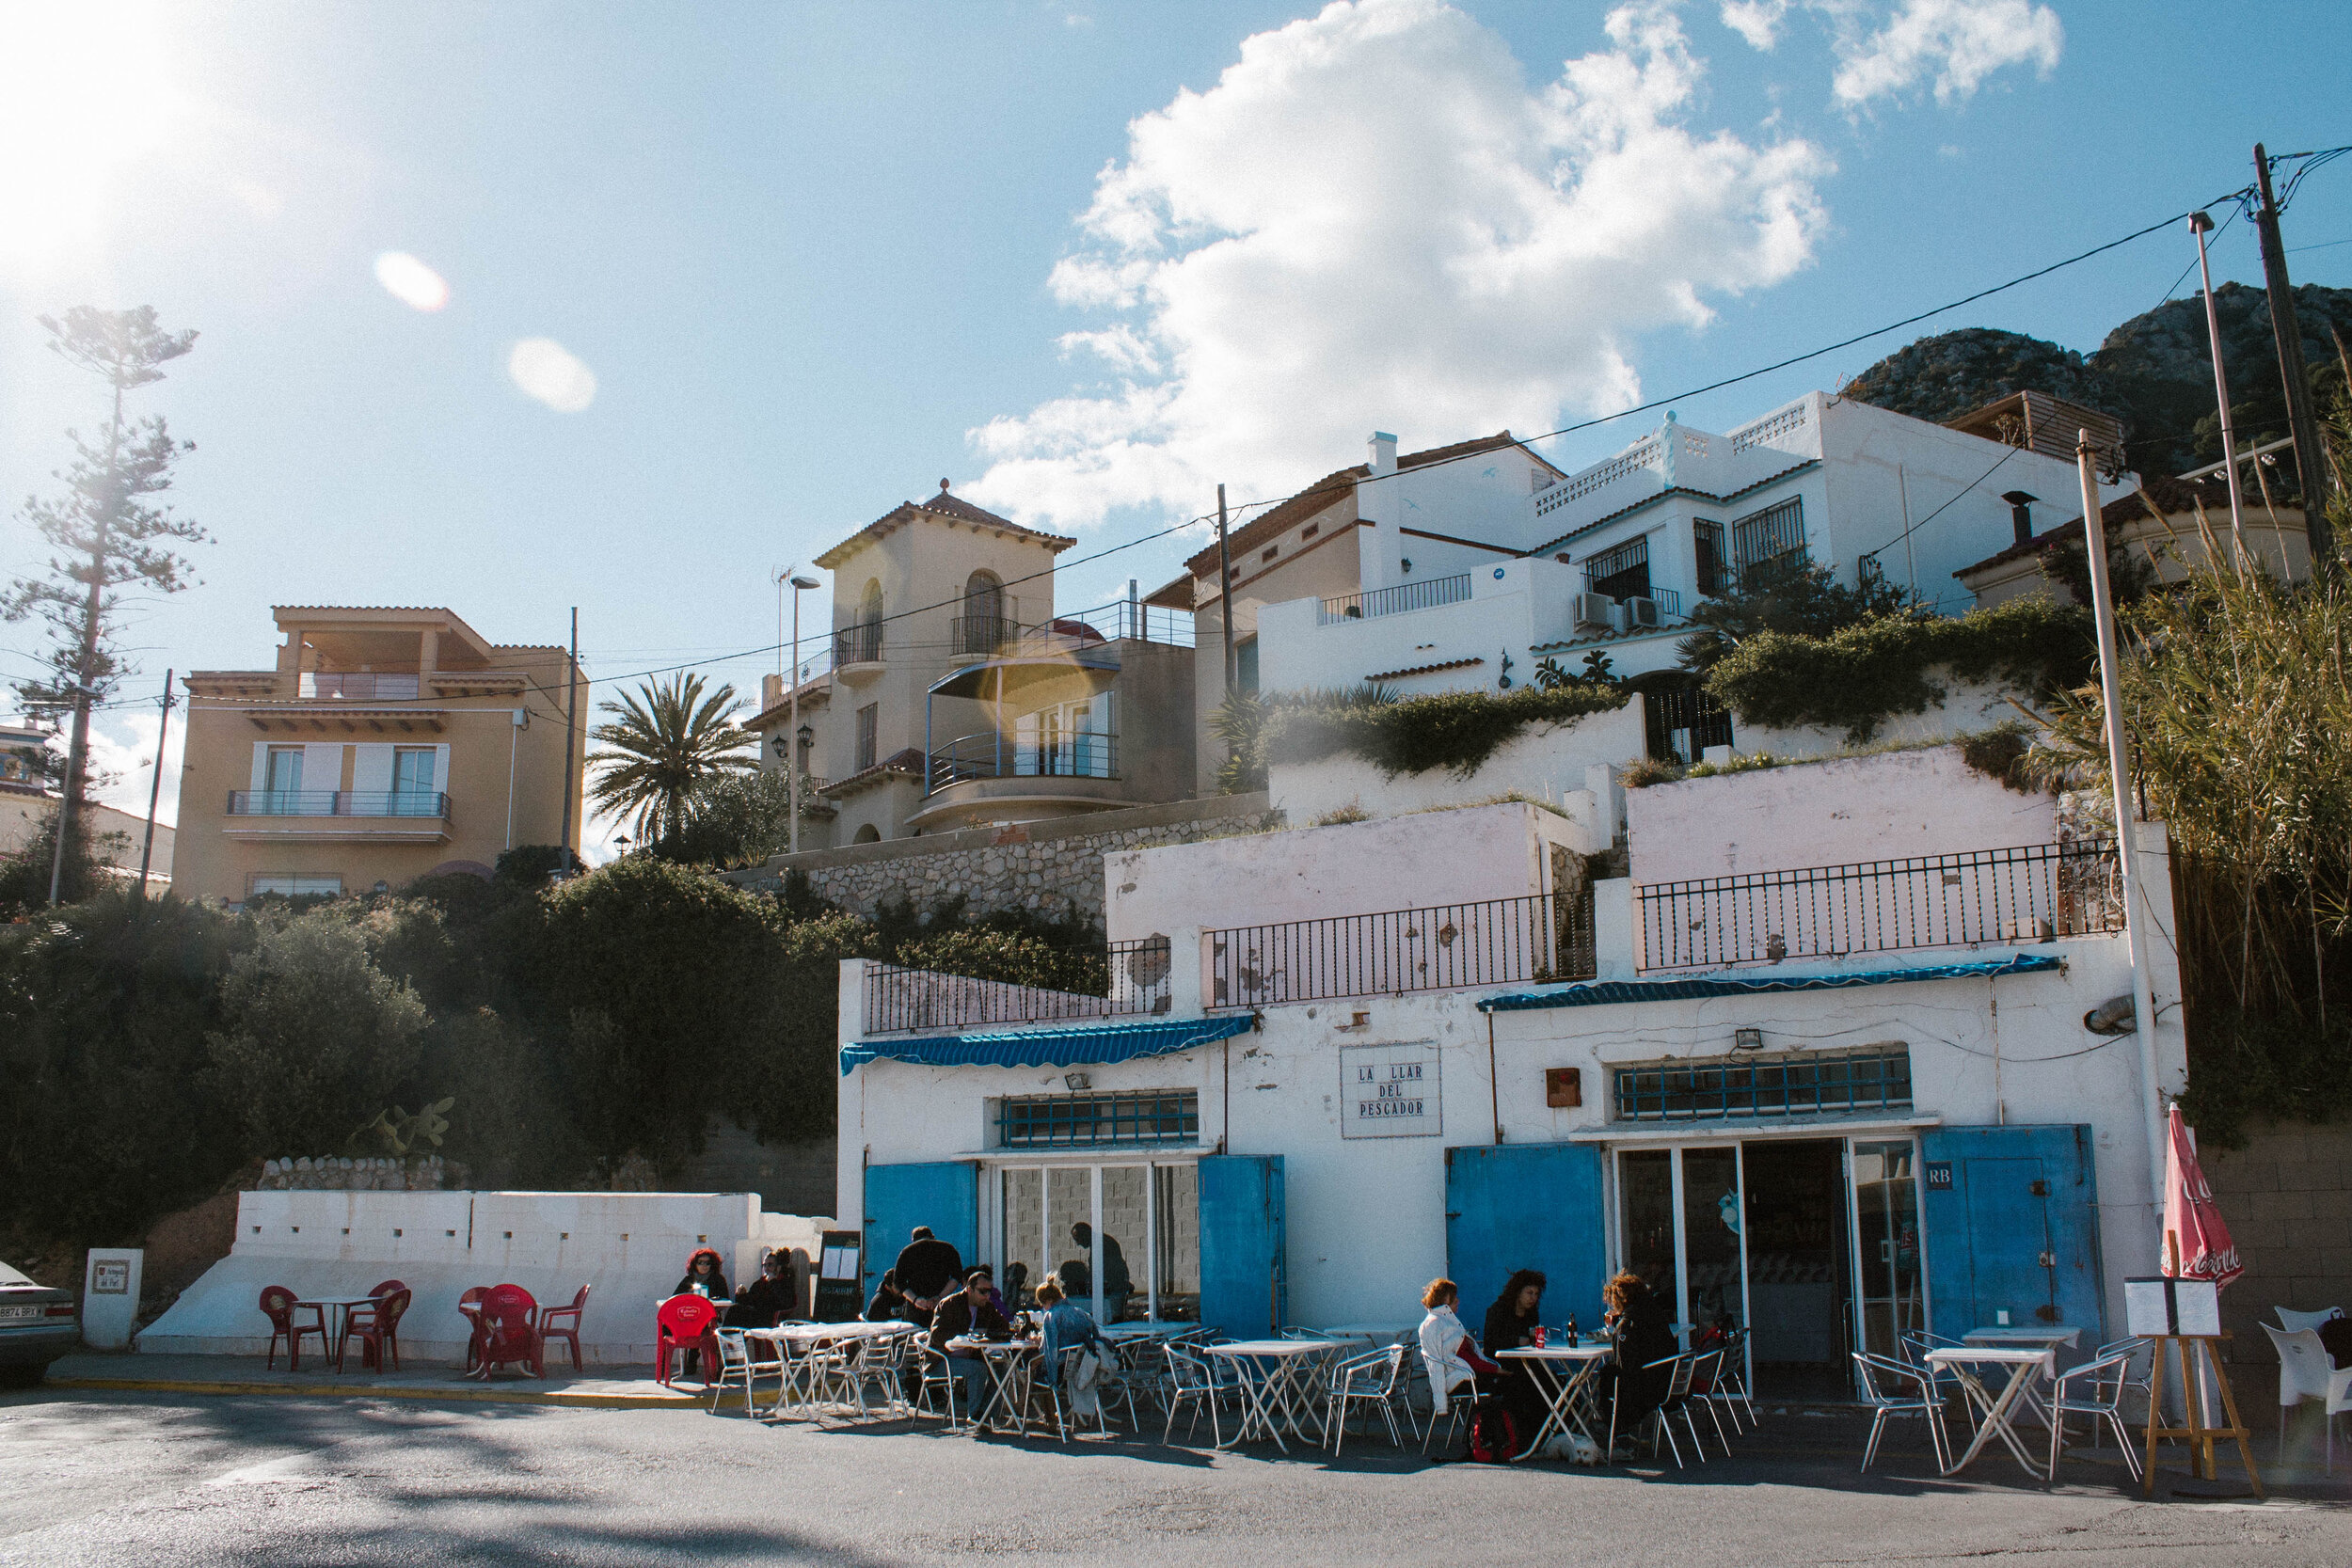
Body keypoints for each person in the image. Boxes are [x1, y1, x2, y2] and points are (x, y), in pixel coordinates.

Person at [1417, 1277, 1500, 1450]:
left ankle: (1482, 1437)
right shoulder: (1434, 1324)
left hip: (1463, 1374)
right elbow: (1436, 1365)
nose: (1458, 1300)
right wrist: (1440, 1403)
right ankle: (1486, 1438)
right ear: (1445, 1301)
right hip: (1457, 1379)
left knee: (1501, 1383)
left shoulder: (1446, 1322)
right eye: (1454, 1297)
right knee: (1502, 1386)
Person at [1598, 1271, 1677, 1452]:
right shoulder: (1656, 1316)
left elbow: (1625, 1366)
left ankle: (1618, 1432)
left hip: (1646, 1392)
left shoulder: (1629, 1324)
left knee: (1609, 1374)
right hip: (1668, 1384)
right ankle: (1619, 1431)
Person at [928, 1265, 1014, 1431]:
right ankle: (974, 1416)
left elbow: (1003, 1327)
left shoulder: (987, 1307)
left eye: (989, 1291)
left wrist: (1012, 1331)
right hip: (941, 1359)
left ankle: (986, 1414)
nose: (987, 1296)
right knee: (978, 1369)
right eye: (982, 1291)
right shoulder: (949, 1304)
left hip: (971, 1356)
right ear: (969, 1289)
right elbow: (937, 1335)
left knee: (1003, 1367)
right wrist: (965, 1337)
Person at [1480, 1270, 1549, 1439]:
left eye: (1536, 1294)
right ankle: (1525, 1436)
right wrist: (1517, 1341)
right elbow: (1490, 1343)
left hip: (1528, 1365)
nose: (1533, 1298)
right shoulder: (1498, 1311)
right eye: (1529, 1293)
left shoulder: (1532, 1314)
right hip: (1502, 1369)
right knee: (1529, 1387)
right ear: (1518, 1291)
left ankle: (1548, 1432)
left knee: (1552, 1383)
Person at [673, 1247, 730, 1377]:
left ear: (713, 1264)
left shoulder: (718, 1279)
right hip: (689, 1316)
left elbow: (725, 1298)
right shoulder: (689, 1280)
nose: (704, 1266)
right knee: (666, 1326)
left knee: (702, 1323)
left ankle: (694, 1361)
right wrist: (689, 1295)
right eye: (700, 1262)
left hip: (710, 1317)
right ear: (695, 1264)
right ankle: (664, 1366)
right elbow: (675, 1297)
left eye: (707, 1263)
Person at [894, 1225, 965, 1328]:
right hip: (942, 1304)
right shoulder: (948, 1249)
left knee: (913, 1339)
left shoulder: (907, 1251)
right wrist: (940, 1297)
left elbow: (899, 1282)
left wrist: (916, 1300)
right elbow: (956, 1277)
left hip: (916, 1307)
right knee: (941, 1337)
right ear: (933, 1236)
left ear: (913, 1239)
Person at [1070, 1222, 1132, 1321]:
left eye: (1078, 1239)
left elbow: (1106, 1269)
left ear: (1085, 1234)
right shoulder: (1099, 1242)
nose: (1078, 1243)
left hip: (1114, 1287)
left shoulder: (1102, 1244)